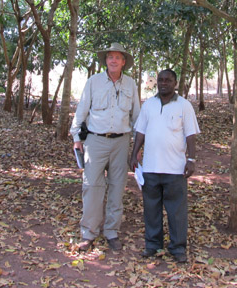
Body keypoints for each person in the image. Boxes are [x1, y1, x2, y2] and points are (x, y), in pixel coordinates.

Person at [70, 42, 140, 252]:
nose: (113, 61)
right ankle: (88, 233)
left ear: (123, 62)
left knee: (117, 187)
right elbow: (82, 109)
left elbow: (136, 115)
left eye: (118, 57)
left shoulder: (131, 84)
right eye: (110, 57)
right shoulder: (94, 82)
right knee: (91, 187)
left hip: (121, 141)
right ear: (105, 60)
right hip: (95, 141)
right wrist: (76, 137)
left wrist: (138, 145)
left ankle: (112, 231)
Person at [129, 68, 200, 263]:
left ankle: (177, 248)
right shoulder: (149, 105)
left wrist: (191, 159)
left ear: (175, 83)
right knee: (151, 209)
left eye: (168, 80)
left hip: (175, 169)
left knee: (176, 210)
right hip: (150, 167)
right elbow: (140, 131)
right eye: (160, 80)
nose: (163, 83)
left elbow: (190, 134)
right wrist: (134, 153)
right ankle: (153, 245)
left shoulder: (184, 106)